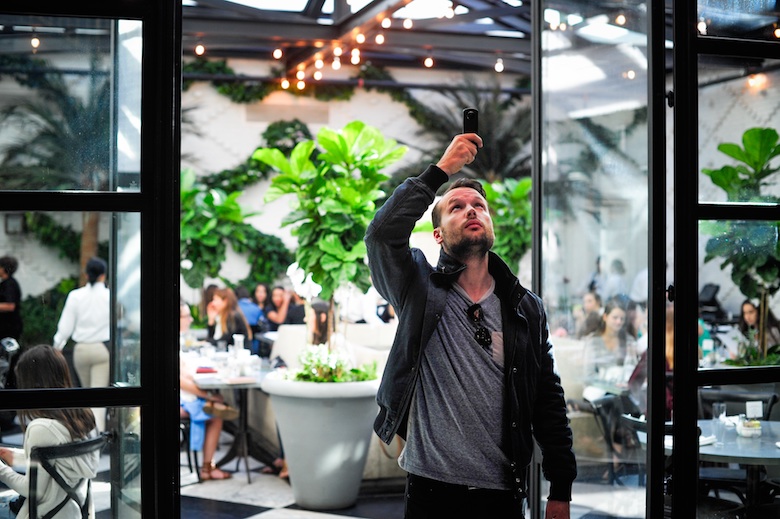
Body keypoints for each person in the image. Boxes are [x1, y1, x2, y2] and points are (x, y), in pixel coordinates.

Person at [365, 133, 575, 519]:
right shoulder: (418, 288)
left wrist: (560, 487)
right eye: (456, 207)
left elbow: (547, 398)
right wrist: (441, 171)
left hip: (502, 493)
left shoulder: (526, 308)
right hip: (430, 489)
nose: (471, 210)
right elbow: (381, 235)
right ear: (438, 234)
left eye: (479, 205)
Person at [0, 344, 99, 519]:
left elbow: (32, 489)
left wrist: (1, 469)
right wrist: (15, 457)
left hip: (44, 514)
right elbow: (57, 460)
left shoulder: (41, 428)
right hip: (75, 512)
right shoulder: (83, 416)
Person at [53, 257, 110, 431]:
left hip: (80, 350)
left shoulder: (76, 296)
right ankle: (96, 440)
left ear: (87, 275)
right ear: (103, 275)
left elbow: (65, 327)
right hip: (101, 349)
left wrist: (57, 347)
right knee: (98, 398)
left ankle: (89, 435)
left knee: (87, 395)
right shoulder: (109, 296)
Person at [179, 301, 232, 481]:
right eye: (186, 316)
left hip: (184, 395)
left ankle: (207, 467)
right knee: (216, 415)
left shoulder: (178, 339)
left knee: (217, 406)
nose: (190, 319)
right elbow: (179, 382)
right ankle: (207, 468)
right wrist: (208, 395)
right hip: (179, 400)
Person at [582, 298, 638, 398]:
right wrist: (609, 385)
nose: (618, 322)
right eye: (615, 317)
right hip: (600, 390)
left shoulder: (629, 340)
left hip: (623, 391)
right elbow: (588, 375)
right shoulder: (593, 341)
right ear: (605, 317)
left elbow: (634, 368)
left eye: (622, 319)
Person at [628, 305, 675, 420]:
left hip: (659, 415)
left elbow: (634, 381)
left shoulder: (654, 352)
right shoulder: (692, 351)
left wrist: (643, 408)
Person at [236, 285, 267, 354]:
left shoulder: (235, 308)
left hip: (238, 341)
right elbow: (263, 324)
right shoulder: (256, 308)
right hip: (254, 343)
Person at [0, 255, 23, 344]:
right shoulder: (4, 284)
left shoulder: (10, 284)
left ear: (4, 269)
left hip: (9, 326)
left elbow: (10, 306)